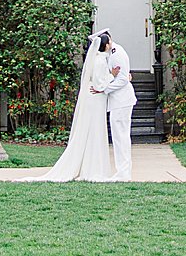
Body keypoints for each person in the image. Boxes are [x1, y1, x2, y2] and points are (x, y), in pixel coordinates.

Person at [37, 29, 128, 182]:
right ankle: (92, 168)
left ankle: (92, 164)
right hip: (95, 99)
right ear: (105, 46)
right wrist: (112, 76)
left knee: (95, 130)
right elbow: (99, 83)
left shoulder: (99, 58)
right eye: (109, 43)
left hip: (96, 98)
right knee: (94, 130)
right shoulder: (99, 61)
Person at [95, 30, 138, 180]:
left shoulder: (116, 53)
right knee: (119, 137)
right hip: (118, 102)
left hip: (121, 101)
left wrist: (104, 88)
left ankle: (124, 173)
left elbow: (123, 80)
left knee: (121, 137)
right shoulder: (111, 53)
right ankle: (122, 172)